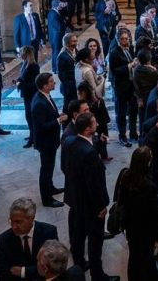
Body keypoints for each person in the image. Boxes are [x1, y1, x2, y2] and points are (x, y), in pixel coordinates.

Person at [62, 112, 117, 280]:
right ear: (87, 129)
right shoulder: (89, 153)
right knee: (95, 240)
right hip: (91, 205)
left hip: (75, 198)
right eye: (94, 123)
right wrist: (101, 206)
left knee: (78, 234)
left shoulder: (69, 141)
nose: (97, 124)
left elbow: (64, 167)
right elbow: (94, 184)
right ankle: (97, 275)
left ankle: (79, 262)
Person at [119, 147, 158, 281]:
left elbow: (121, 201)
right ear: (147, 163)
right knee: (148, 260)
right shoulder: (150, 186)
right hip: (146, 230)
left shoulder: (125, 176)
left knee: (134, 257)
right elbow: (155, 215)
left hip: (131, 227)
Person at [0, 197, 59, 281]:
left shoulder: (49, 232)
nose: (14, 227)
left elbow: (54, 268)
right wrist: (38, 270)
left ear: (31, 218)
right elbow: (3, 275)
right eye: (11, 221)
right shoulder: (3, 240)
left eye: (18, 222)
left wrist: (23, 271)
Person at [31, 72, 68, 208]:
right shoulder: (39, 103)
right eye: (51, 81)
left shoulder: (45, 96)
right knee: (46, 170)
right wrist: (59, 120)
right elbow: (42, 126)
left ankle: (50, 188)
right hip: (46, 142)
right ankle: (47, 199)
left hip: (50, 141)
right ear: (44, 85)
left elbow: (48, 115)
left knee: (50, 167)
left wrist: (57, 115)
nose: (54, 83)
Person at [109, 30, 140, 146]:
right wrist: (129, 65)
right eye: (122, 39)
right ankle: (122, 136)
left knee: (133, 110)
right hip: (121, 86)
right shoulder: (114, 52)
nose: (125, 41)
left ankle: (133, 133)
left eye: (126, 38)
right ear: (118, 39)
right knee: (121, 113)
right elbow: (115, 71)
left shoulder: (130, 48)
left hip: (131, 85)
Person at [17, 45, 42, 149]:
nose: (19, 55)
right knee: (28, 116)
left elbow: (34, 83)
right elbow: (23, 77)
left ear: (26, 54)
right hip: (26, 94)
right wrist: (18, 81)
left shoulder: (34, 66)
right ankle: (32, 134)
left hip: (31, 94)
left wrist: (21, 84)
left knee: (31, 116)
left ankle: (33, 138)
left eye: (21, 53)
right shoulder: (25, 64)